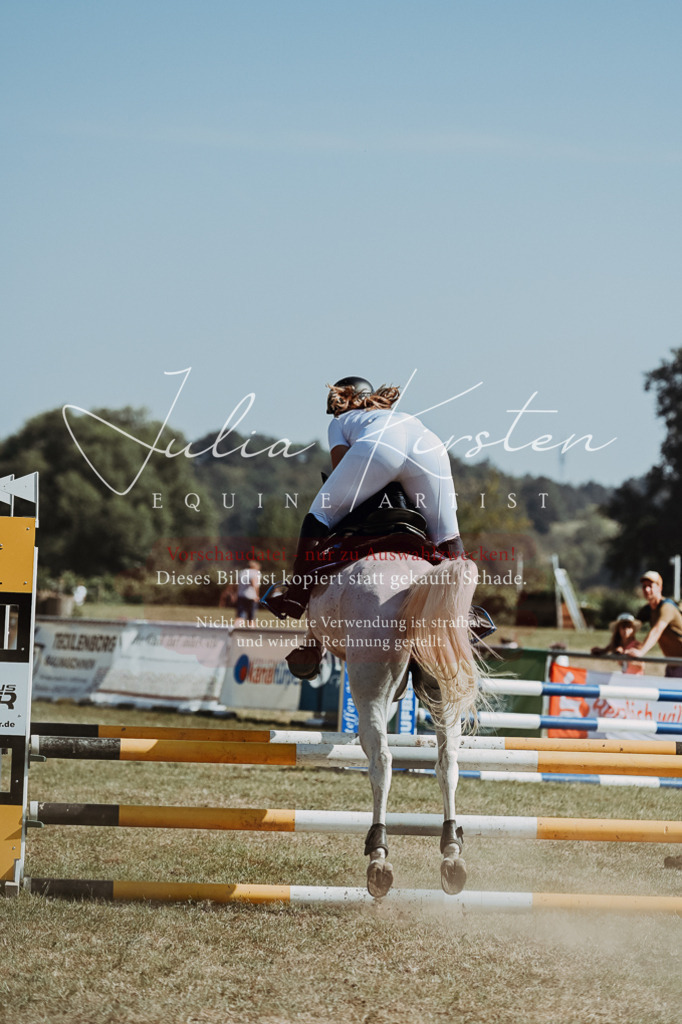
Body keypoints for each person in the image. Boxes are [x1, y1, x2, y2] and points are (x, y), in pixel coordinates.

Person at [266, 376, 466, 621]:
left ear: (345, 401)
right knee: (448, 536)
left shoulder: (340, 421)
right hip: (430, 449)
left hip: (380, 447)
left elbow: (340, 466)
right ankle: (465, 614)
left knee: (318, 515)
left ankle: (295, 596)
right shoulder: (399, 416)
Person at [625, 571, 682, 677]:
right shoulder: (647, 610)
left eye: (650, 586)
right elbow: (627, 630)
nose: (647, 590)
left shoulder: (667, 607)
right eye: (644, 586)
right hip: (672, 665)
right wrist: (609, 649)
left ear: (659, 587)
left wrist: (641, 652)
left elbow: (657, 630)